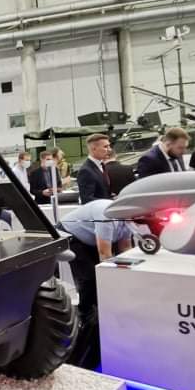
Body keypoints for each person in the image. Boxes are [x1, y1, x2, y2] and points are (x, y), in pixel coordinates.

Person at [60, 199, 133, 368]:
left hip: (90, 237)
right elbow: (104, 254)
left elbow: (125, 250)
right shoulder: (106, 217)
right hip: (71, 234)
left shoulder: (128, 220)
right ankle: (84, 319)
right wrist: (112, 282)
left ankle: (100, 313)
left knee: (100, 275)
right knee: (89, 279)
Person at [77, 133, 112, 204]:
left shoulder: (102, 165)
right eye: (105, 147)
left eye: (109, 146)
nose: (109, 150)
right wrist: (109, 202)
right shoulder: (86, 171)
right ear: (94, 149)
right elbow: (86, 199)